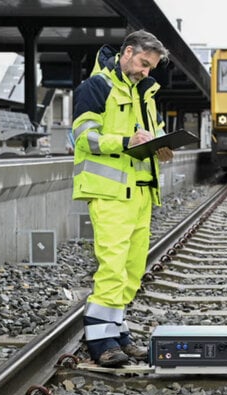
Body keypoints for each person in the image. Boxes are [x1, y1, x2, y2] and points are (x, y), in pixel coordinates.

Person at [72, 30, 174, 367]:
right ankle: (101, 343)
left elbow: (153, 131)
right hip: (111, 193)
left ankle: (118, 332)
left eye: (151, 67)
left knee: (131, 272)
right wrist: (126, 141)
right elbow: (85, 138)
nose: (146, 71)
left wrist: (161, 145)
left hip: (142, 193)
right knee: (112, 268)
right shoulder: (96, 88)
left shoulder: (145, 92)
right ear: (127, 52)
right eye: (144, 63)